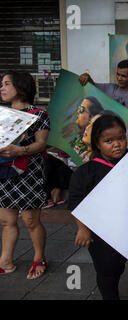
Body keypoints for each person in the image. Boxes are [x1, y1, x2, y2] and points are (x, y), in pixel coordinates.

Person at [67, 113, 128, 300]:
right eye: (108, 140)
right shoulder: (87, 172)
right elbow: (76, 202)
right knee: (109, 271)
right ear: (97, 144)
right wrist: (82, 229)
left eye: (120, 138)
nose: (117, 144)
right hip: (104, 236)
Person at [0, 71, 50, 279]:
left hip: (29, 174)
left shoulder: (39, 114)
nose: (2, 88)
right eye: (1, 84)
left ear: (21, 87)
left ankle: (39, 258)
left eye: (6, 84)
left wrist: (19, 151)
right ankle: (5, 260)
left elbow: (41, 144)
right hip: (4, 172)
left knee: (30, 220)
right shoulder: (2, 113)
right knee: (6, 220)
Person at [78, 59, 128, 123]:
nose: (119, 78)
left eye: (123, 76)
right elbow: (92, 86)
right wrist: (87, 78)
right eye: (118, 74)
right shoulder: (109, 88)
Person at [70, 96, 104, 161]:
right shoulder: (76, 142)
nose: (78, 111)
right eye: (79, 108)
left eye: (81, 109)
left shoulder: (100, 156)